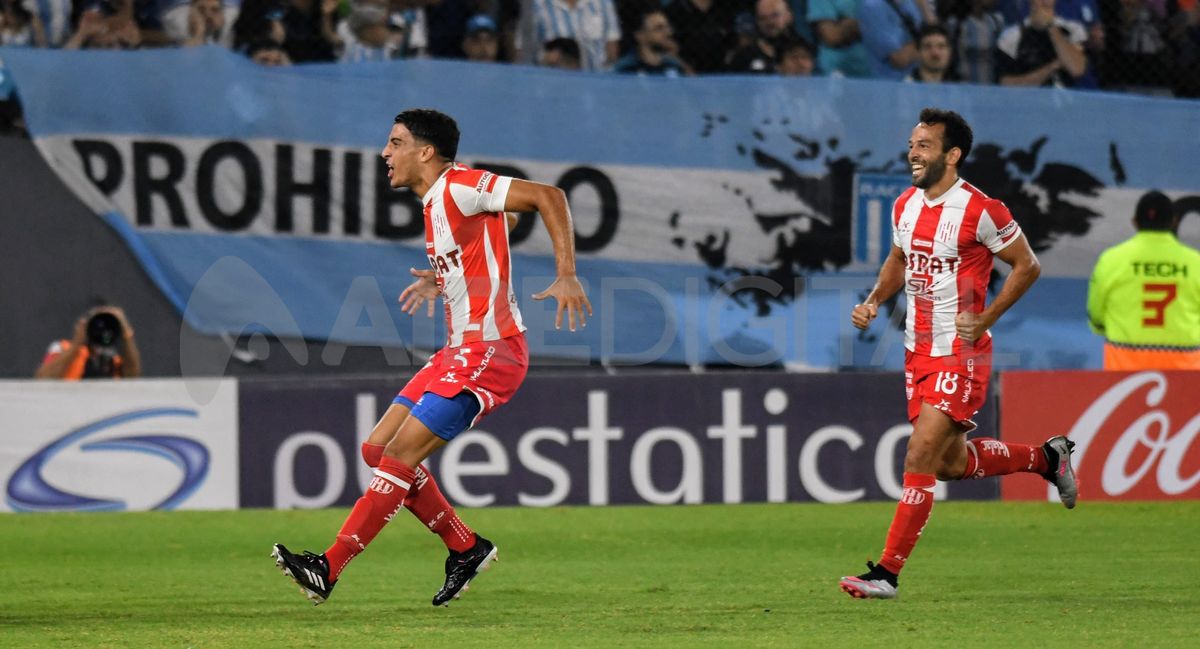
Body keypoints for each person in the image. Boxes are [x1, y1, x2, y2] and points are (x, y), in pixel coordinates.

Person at [271, 109, 591, 607]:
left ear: (425, 152)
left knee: (399, 457)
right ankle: (465, 547)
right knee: (378, 450)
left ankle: (328, 567)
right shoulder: (439, 204)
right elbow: (498, 223)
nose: (385, 153)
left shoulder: (459, 184)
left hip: (491, 351)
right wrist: (444, 277)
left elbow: (549, 196)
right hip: (456, 351)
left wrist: (566, 272)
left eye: (395, 143)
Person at [839, 108, 1077, 600]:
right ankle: (1046, 458)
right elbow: (899, 259)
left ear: (952, 155)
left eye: (924, 145)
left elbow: (1026, 266)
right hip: (916, 352)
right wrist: (873, 300)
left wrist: (987, 318)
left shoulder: (982, 210)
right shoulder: (904, 203)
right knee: (947, 465)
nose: (912, 153)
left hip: (961, 353)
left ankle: (885, 573)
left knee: (919, 453)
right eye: (912, 144)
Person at [1087, 191, 1200, 370]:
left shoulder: (1111, 259)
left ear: (1135, 222)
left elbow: (1096, 316)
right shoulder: (1196, 263)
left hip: (1125, 371)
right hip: (1186, 372)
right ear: (1174, 222)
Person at [996, 0, 1088, 87]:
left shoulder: (1074, 30)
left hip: (1069, 100)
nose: (1044, 1)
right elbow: (1006, 84)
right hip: (1029, 100)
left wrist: (1050, 26)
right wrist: (1052, 67)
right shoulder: (1011, 36)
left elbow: (1077, 69)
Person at [35, 305, 142, 380]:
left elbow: (133, 376)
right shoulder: (62, 348)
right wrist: (76, 344)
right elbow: (43, 378)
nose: (102, 330)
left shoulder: (114, 359)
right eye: (97, 326)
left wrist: (125, 332)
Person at [613, 7, 688, 76]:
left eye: (667, 27)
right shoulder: (625, 69)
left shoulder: (674, 65)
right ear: (640, 35)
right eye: (659, 28)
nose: (668, 32)